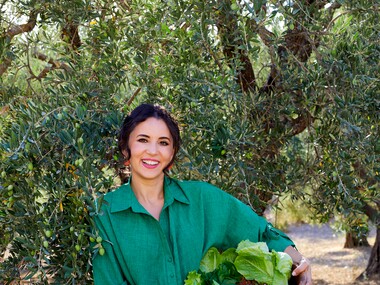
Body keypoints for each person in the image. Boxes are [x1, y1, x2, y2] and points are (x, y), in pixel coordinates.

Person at [92, 103, 312, 285]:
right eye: (142, 140)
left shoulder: (203, 199)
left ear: (172, 152)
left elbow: (260, 232)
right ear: (125, 147)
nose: (153, 151)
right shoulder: (104, 213)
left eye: (163, 143)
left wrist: (299, 261)